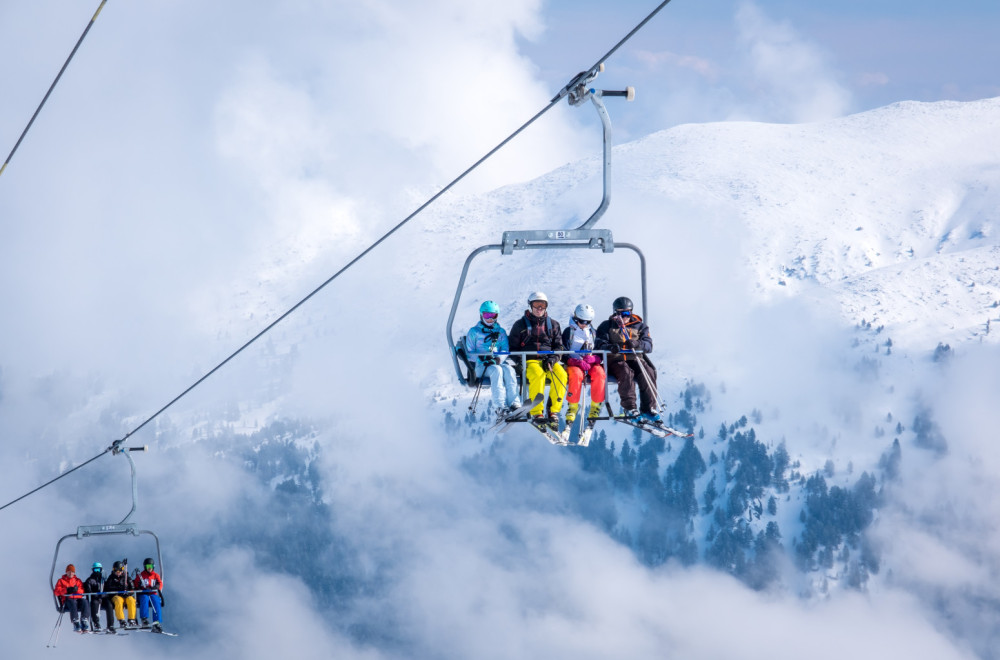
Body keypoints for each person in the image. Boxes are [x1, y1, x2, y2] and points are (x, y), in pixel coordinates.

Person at [595, 296, 660, 423]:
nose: (624, 317)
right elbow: (599, 343)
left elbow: (648, 345)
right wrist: (611, 347)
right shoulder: (607, 325)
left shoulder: (640, 326)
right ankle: (629, 407)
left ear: (631, 312)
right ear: (615, 312)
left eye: (627, 313)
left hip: (634, 358)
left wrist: (637, 344)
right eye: (621, 313)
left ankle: (648, 408)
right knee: (625, 371)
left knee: (648, 372)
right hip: (615, 360)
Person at [508, 291, 567, 427]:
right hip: (530, 360)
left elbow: (559, 347)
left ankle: (553, 411)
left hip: (548, 360)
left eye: (542, 305)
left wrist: (552, 359)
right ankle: (537, 411)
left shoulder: (553, 325)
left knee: (562, 375)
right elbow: (512, 348)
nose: (539, 309)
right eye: (536, 305)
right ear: (530, 306)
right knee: (538, 375)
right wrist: (518, 362)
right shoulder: (520, 325)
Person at [464, 300, 521, 420]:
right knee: (496, 370)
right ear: (481, 315)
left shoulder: (500, 332)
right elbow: (470, 353)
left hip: (497, 363)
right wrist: (483, 357)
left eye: (493, 316)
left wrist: (498, 359)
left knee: (509, 370)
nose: (490, 319)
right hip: (480, 367)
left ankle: (514, 404)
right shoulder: (474, 332)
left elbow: (505, 349)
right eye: (487, 315)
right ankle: (500, 407)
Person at [561, 303, 606, 424]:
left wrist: (595, 359)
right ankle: (573, 406)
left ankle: (596, 406)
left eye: (588, 322)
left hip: (589, 364)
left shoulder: (593, 333)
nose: (584, 324)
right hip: (574, 364)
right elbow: (562, 351)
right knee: (576, 375)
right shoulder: (568, 332)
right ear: (575, 318)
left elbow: (601, 349)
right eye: (581, 321)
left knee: (599, 373)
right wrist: (572, 360)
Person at [53, 564, 91, 632]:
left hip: (77, 599)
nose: (71, 573)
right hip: (67, 601)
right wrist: (67, 590)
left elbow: (82, 591)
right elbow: (56, 592)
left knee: (85, 601)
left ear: (74, 573)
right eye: (69, 571)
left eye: (72, 572)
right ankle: (76, 622)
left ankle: (84, 620)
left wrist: (76, 590)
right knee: (72, 602)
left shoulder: (77, 580)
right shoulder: (61, 581)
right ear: (66, 572)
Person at [133, 557, 164, 632]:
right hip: (143, 593)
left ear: (153, 566)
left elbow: (160, 583)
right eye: (147, 566)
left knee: (156, 601)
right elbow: (135, 584)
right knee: (145, 599)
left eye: (151, 566)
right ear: (145, 567)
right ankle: (144, 619)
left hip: (152, 593)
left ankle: (156, 622)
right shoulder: (141, 575)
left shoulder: (155, 575)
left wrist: (155, 587)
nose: (149, 568)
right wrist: (139, 586)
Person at [84, 561, 116, 633]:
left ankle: (110, 625)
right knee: (95, 603)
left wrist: (103, 595)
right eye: (95, 570)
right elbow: (88, 591)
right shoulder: (89, 580)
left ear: (101, 570)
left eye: (99, 570)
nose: (97, 571)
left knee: (109, 605)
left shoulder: (103, 580)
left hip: (103, 598)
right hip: (94, 599)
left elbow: (108, 590)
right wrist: (97, 596)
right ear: (93, 570)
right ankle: (96, 623)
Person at [106, 560, 137, 629]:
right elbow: (108, 588)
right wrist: (118, 589)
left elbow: (132, 588)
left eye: (120, 570)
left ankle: (131, 619)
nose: (118, 572)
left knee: (131, 600)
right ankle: (121, 620)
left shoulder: (127, 577)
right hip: (116, 596)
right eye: (116, 570)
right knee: (118, 600)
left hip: (126, 596)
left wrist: (128, 591)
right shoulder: (111, 578)